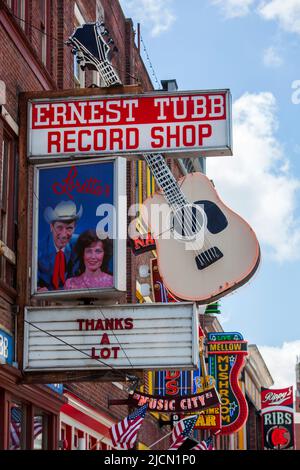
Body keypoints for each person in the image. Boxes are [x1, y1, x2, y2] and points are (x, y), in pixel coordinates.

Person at [37, 200, 82, 291]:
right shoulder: (38, 249)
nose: (64, 234)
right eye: (59, 228)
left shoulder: (79, 245)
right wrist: (38, 288)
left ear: (74, 228)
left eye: (69, 228)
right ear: (51, 227)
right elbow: (32, 281)